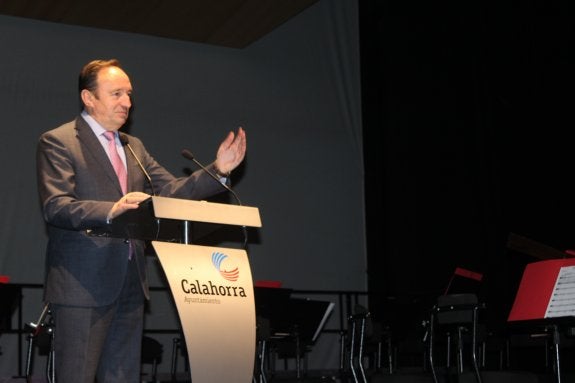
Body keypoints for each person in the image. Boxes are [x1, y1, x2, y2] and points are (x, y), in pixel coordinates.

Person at [36, 58, 246, 383]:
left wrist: (217, 170)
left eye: (129, 94)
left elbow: (171, 190)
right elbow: (57, 206)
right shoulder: (60, 141)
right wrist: (112, 209)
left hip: (131, 285)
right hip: (83, 286)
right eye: (116, 93)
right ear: (88, 98)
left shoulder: (133, 147)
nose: (127, 103)